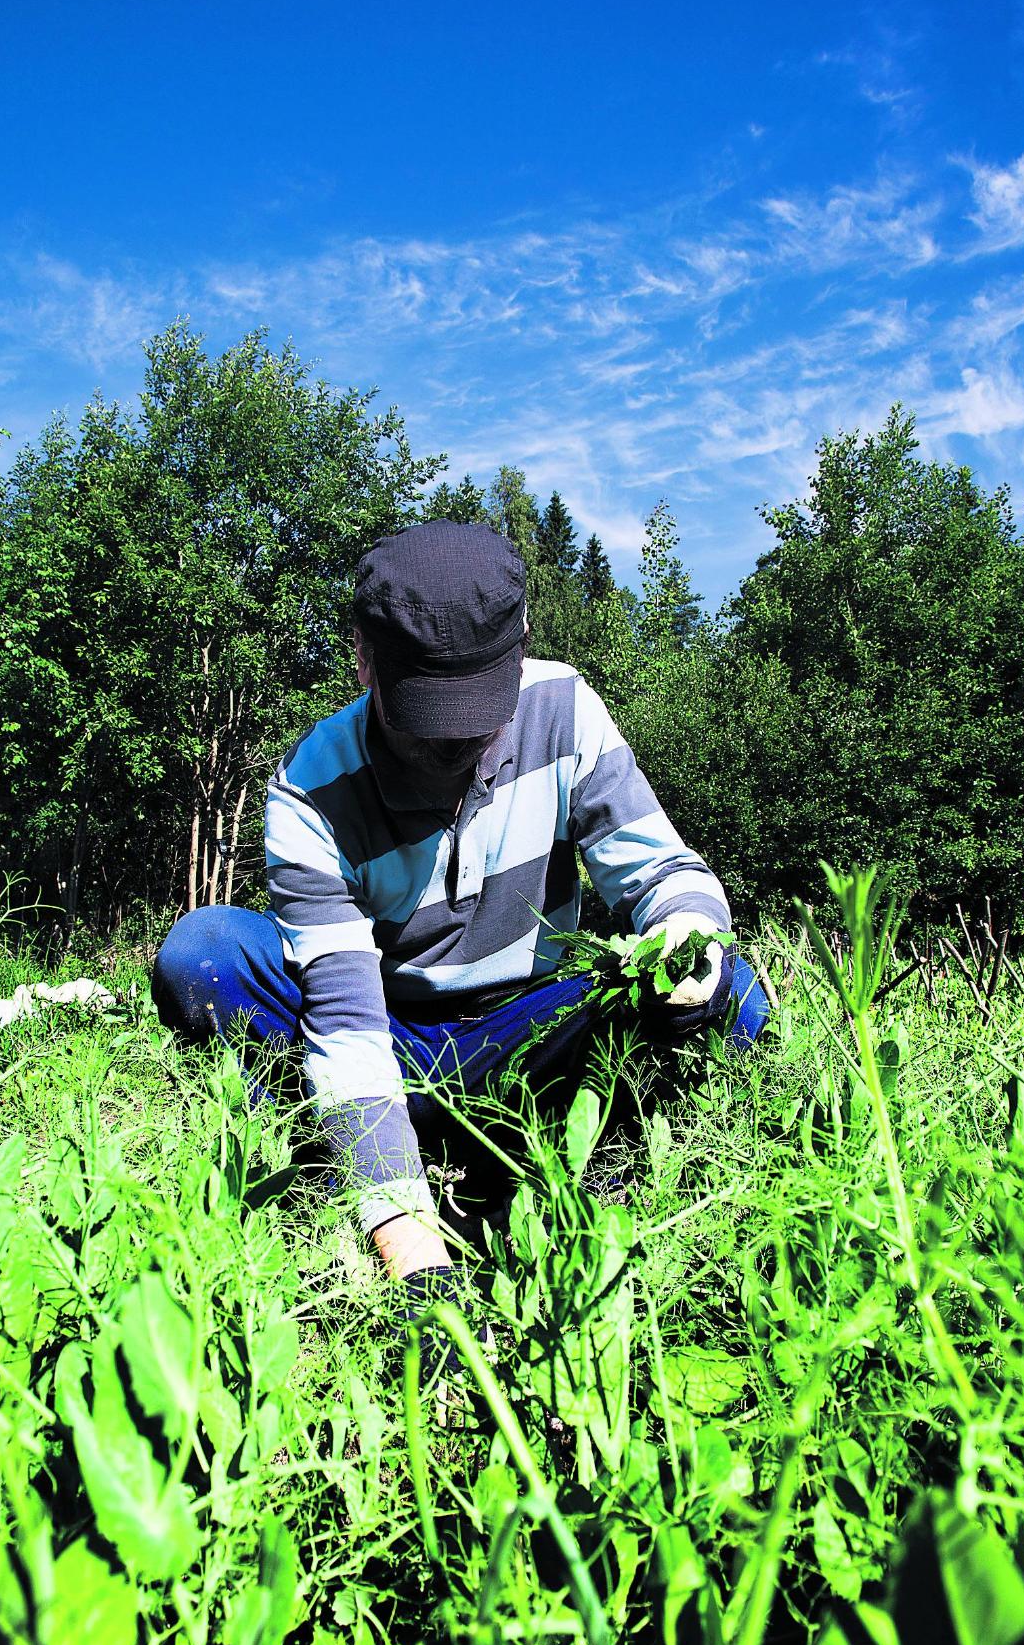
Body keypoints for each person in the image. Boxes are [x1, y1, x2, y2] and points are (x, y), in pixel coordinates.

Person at [153, 520, 769, 1300]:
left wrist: (685, 936)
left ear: (519, 649)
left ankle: (607, 1178)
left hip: (535, 1028)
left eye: (479, 706)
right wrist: (410, 1247)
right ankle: (332, 1166)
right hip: (389, 1032)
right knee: (202, 950)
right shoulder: (310, 790)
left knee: (730, 990)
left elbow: (663, 871)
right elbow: (344, 1023)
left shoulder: (565, 709)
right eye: (427, 712)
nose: (457, 742)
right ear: (364, 659)